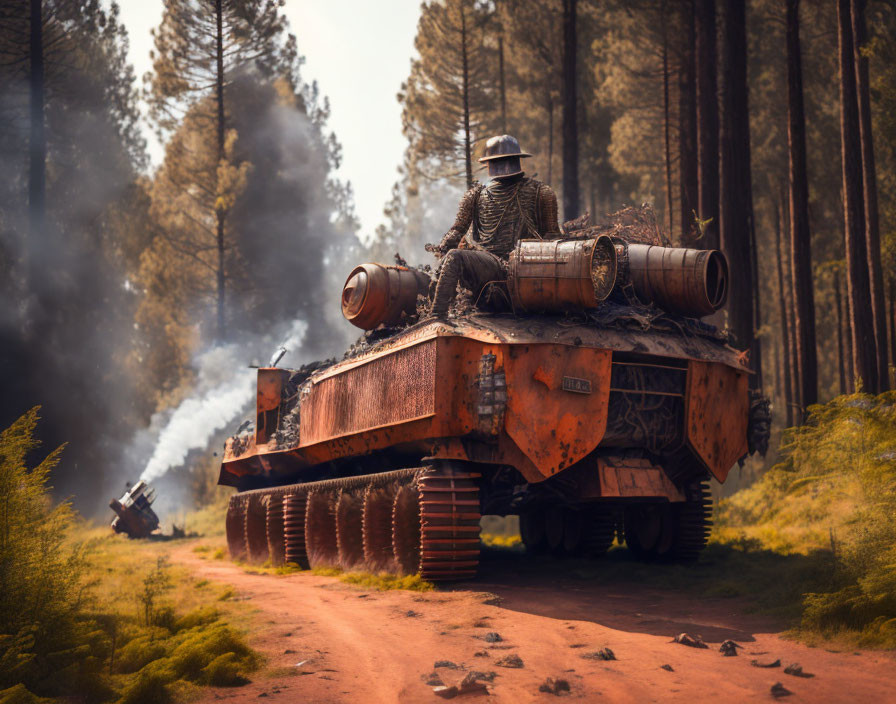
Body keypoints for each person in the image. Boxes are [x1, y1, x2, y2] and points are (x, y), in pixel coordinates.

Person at [428, 135, 561, 317]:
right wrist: (444, 249)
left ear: (488, 163)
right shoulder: (475, 195)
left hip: (527, 268)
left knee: (453, 257)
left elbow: (552, 239)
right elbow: (457, 231)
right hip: (491, 268)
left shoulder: (542, 193)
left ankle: (436, 315)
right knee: (452, 257)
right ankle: (438, 312)